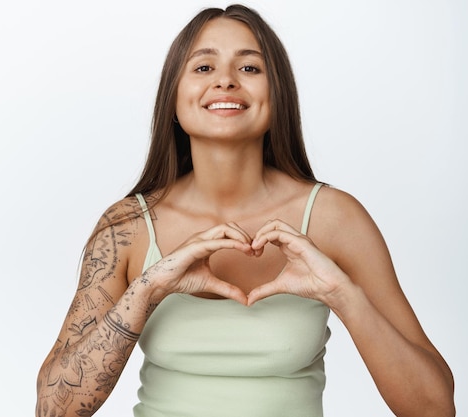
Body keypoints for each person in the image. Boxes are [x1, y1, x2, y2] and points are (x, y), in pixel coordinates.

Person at [36, 4, 455, 417]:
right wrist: (146, 290)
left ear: (277, 96)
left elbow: (435, 408)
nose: (225, 81)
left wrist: (343, 295)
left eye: (250, 68)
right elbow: (53, 409)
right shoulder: (127, 227)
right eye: (203, 68)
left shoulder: (334, 218)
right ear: (173, 99)